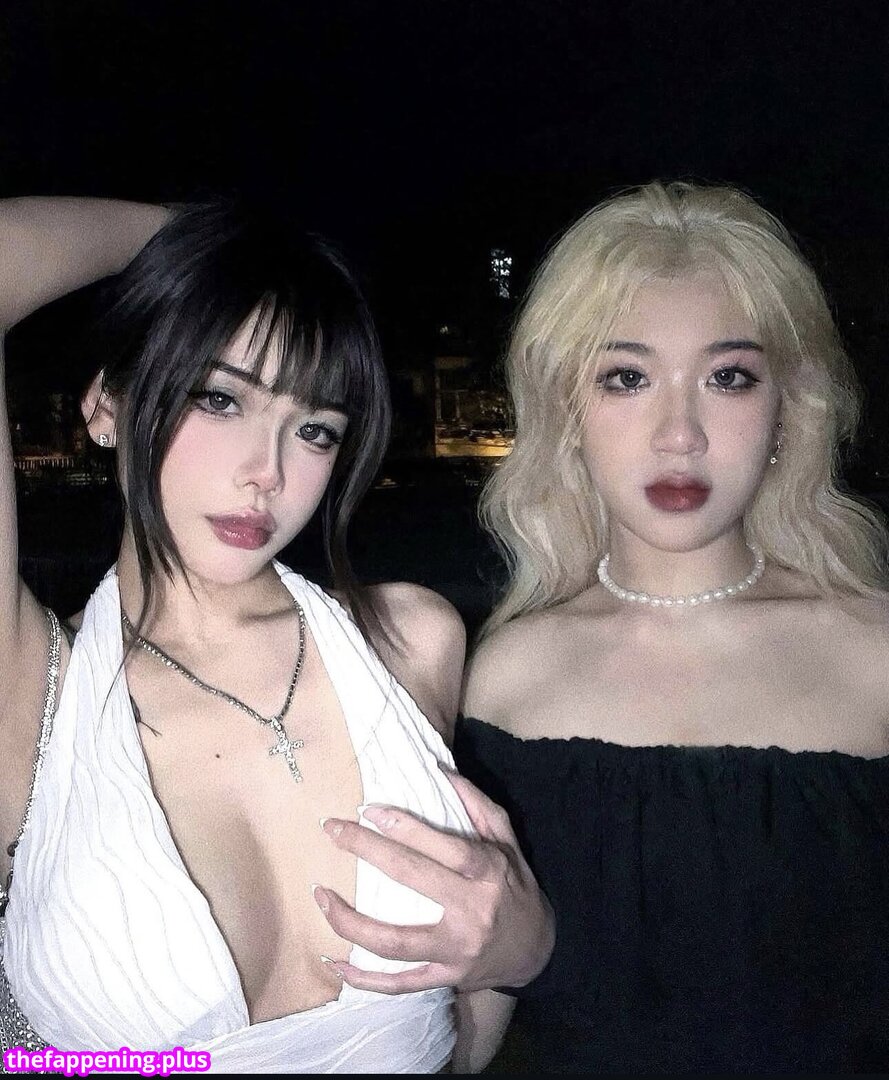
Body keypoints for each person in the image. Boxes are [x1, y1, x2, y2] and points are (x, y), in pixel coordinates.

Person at [0, 197, 547, 1073]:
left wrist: (518, 957)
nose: (268, 472)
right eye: (220, 399)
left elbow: (456, 1039)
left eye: (314, 430)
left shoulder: (409, 644)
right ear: (105, 405)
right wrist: (198, 236)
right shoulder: (28, 687)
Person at [451, 181, 889, 1073]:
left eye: (728, 378)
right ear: (566, 413)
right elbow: (464, 1043)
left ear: (786, 408)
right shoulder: (506, 676)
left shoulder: (874, 655)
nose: (678, 434)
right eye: (626, 378)